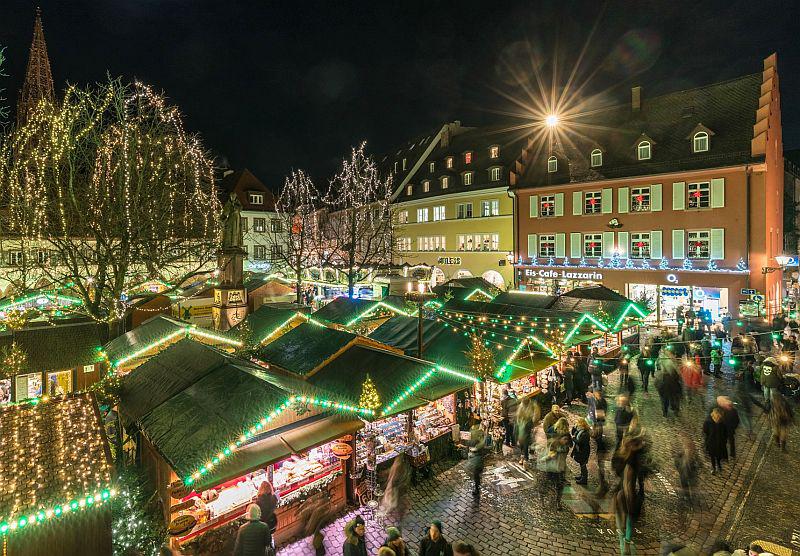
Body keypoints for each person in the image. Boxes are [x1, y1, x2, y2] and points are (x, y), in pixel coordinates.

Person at [542, 417, 572, 510]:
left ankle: (551, 501)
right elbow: (570, 445)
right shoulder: (560, 439)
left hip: (555, 466)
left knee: (552, 483)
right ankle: (556, 502)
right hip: (559, 466)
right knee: (558, 485)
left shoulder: (556, 436)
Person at [673, 435, 701, 503]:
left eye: (689, 448)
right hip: (683, 474)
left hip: (692, 475)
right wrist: (679, 469)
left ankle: (693, 496)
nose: (687, 449)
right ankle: (687, 496)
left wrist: (696, 467)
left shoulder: (695, 456)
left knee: (692, 485)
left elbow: (699, 463)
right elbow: (676, 461)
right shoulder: (680, 454)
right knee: (684, 485)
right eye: (686, 447)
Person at [703, 408, 728, 474]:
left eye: (720, 417)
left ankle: (719, 465)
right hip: (711, 442)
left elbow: (725, 432)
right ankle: (713, 467)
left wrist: (724, 440)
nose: (719, 419)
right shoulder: (708, 421)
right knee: (712, 456)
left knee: (719, 455)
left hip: (720, 442)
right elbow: (705, 431)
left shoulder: (722, 421)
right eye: (718, 417)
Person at [515, 396, 540, 465]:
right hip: (522, 425)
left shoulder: (532, 406)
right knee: (522, 441)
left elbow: (536, 415)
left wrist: (533, 422)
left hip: (528, 425)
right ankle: (524, 456)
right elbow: (518, 416)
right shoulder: (521, 407)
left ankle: (525, 457)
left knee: (526, 441)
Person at [464, 423, 487, 497]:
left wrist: (475, 449)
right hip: (474, 459)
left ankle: (477, 489)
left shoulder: (479, 437)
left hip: (477, 460)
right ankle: (476, 487)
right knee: (475, 475)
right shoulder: (474, 435)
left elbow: (482, 445)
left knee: (476, 474)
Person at [571, 417, 592, 485]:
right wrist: (574, 427)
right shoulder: (580, 430)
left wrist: (573, 439)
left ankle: (584, 479)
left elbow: (579, 442)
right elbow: (573, 433)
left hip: (584, 451)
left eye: (578, 422)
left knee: (583, 465)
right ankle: (582, 476)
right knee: (581, 464)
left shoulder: (585, 433)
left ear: (582, 423)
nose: (577, 424)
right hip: (580, 450)